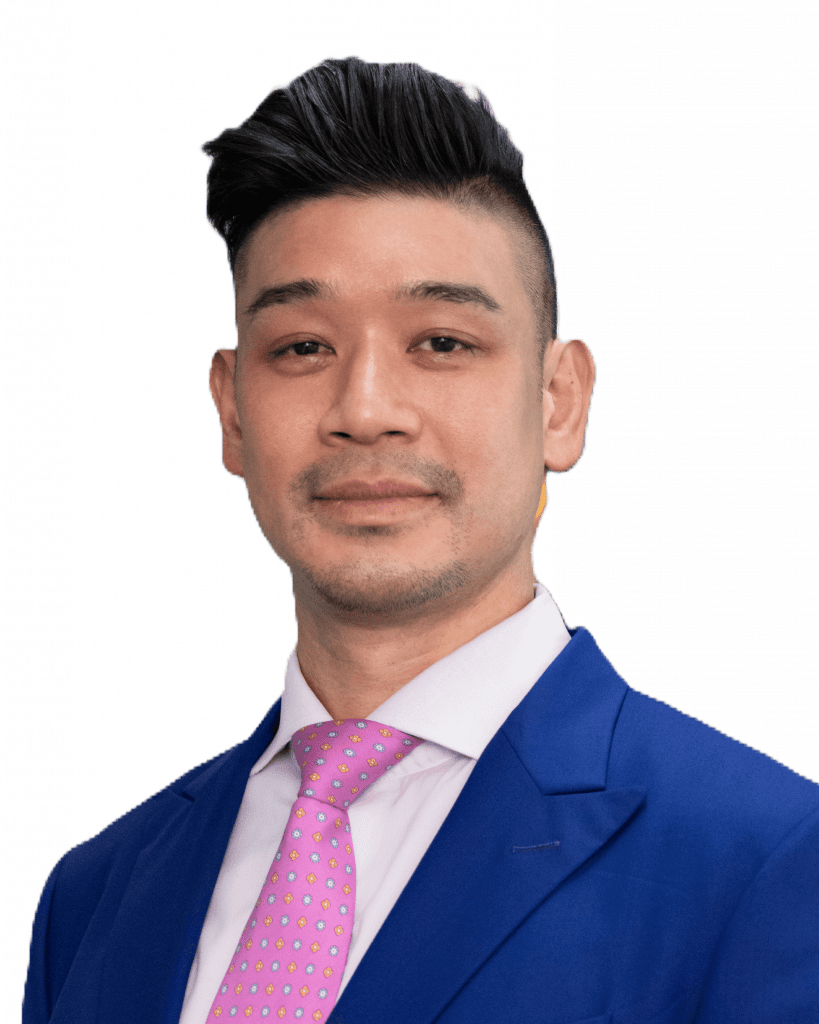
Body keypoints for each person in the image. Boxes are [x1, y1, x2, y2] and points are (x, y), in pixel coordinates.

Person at [21, 53, 819, 1024]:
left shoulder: (768, 858)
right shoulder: (94, 896)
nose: (365, 410)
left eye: (441, 342)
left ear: (560, 402)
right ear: (231, 411)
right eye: (302, 346)